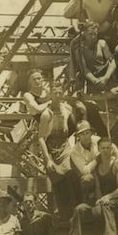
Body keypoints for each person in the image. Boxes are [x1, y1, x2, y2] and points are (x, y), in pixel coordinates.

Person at [64, 134, 118, 235]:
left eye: (108, 148)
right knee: (79, 209)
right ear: (99, 150)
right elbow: (94, 183)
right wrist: (97, 200)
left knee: (105, 204)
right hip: (100, 202)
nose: (106, 151)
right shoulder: (96, 166)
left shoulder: (117, 163)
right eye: (103, 148)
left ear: (112, 149)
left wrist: (109, 196)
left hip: (114, 201)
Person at [37, 83, 79, 220]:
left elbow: (74, 125)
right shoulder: (46, 114)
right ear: (50, 94)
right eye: (55, 93)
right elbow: (41, 139)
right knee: (57, 181)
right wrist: (48, 159)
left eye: (60, 93)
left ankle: (75, 209)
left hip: (64, 146)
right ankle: (63, 213)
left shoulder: (67, 109)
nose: (57, 96)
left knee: (70, 172)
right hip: (50, 150)